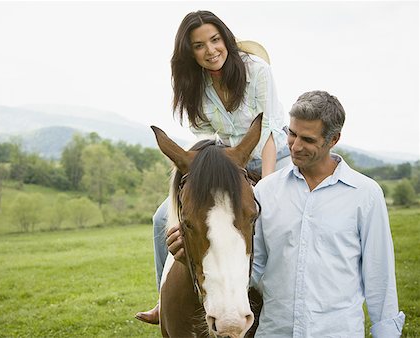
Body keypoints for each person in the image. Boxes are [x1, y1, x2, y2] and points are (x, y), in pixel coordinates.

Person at [167, 90, 405, 336]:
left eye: (308, 140)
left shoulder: (365, 195)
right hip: (276, 331)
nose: (296, 146)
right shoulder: (266, 192)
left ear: (333, 139)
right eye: (292, 134)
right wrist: (193, 260)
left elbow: (380, 277)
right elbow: (253, 267)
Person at [135, 10, 291, 325]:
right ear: (189, 52)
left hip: (273, 157)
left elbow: (271, 129)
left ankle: (284, 299)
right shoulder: (195, 86)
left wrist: (268, 186)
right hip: (228, 164)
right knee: (160, 218)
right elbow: (205, 137)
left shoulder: (257, 72)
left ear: (226, 40)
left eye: (215, 40)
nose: (211, 50)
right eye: (199, 45)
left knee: (279, 220)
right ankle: (162, 300)